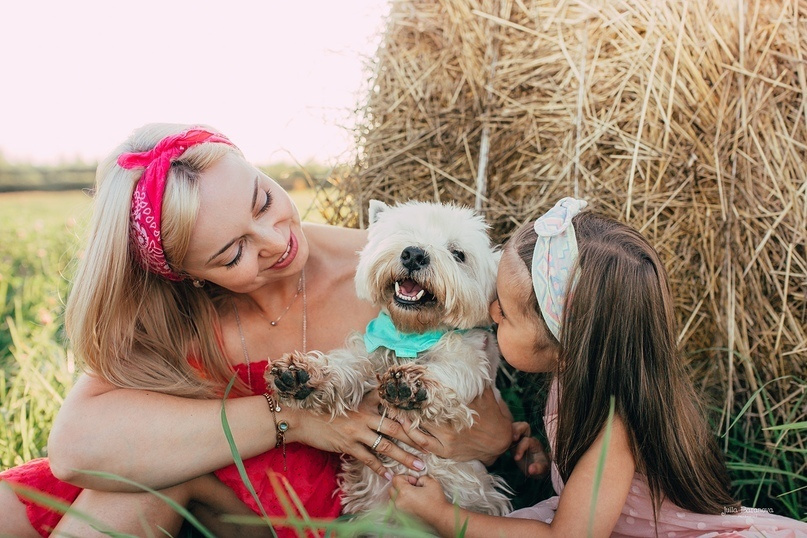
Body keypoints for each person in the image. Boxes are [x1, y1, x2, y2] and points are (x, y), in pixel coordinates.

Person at [0, 124, 513, 537]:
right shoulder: (183, 313)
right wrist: (291, 416)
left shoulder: (394, 271)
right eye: (233, 253)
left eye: (263, 200)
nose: (275, 240)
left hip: (339, 505)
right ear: (189, 275)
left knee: (133, 485)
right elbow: (74, 448)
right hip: (232, 488)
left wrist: (502, 439)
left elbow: (487, 430)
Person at [390, 198, 807, 537]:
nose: (492, 310)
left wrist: (445, 517)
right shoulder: (582, 380)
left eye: (508, 313)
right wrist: (550, 457)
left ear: (566, 343)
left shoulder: (614, 425)